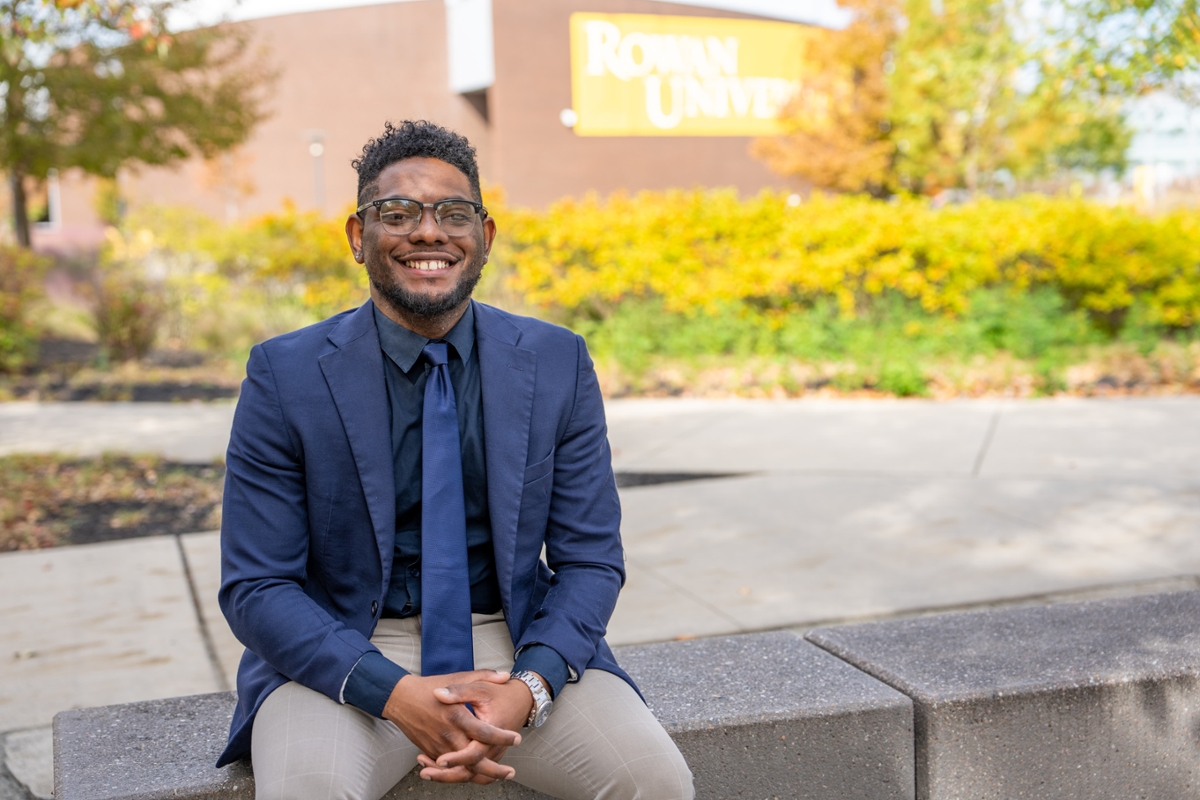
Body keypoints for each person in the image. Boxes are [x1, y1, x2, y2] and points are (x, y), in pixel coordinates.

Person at [216, 120, 694, 800]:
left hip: (514, 637)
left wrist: (529, 686)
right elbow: (257, 586)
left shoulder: (558, 362)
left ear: (485, 237)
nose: (428, 232)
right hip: (346, 648)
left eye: (453, 213)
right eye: (398, 213)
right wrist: (395, 693)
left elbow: (590, 561)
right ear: (359, 237)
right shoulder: (284, 374)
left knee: (656, 782)